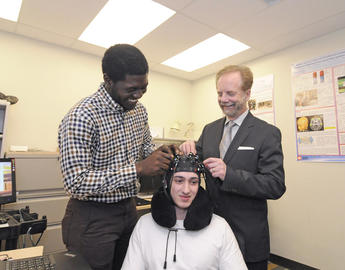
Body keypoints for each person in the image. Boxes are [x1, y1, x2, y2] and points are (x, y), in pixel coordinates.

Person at [58, 44, 177, 270]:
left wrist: (161, 152)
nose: (139, 95)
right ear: (108, 80)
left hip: (128, 210)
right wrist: (138, 169)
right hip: (92, 216)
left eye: (144, 88)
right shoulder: (82, 116)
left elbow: (144, 148)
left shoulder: (139, 111)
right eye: (132, 88)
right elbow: (76, 182)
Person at [180, 65, 286, 270]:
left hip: (247, 238)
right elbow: (197, 162)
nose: (223, 99)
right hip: (210, 232)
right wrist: (188, 150)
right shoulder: (210, 130)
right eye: (219, 93)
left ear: (247, 94)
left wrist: (230, 174)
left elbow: (275, 185)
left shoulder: (267, 133)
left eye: (230, 93)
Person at [121, 153, 247, 270]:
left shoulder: (220, 227)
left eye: (193, 182)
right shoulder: (145, 225)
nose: (186, 190)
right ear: (167, 183)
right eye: (179, 181)